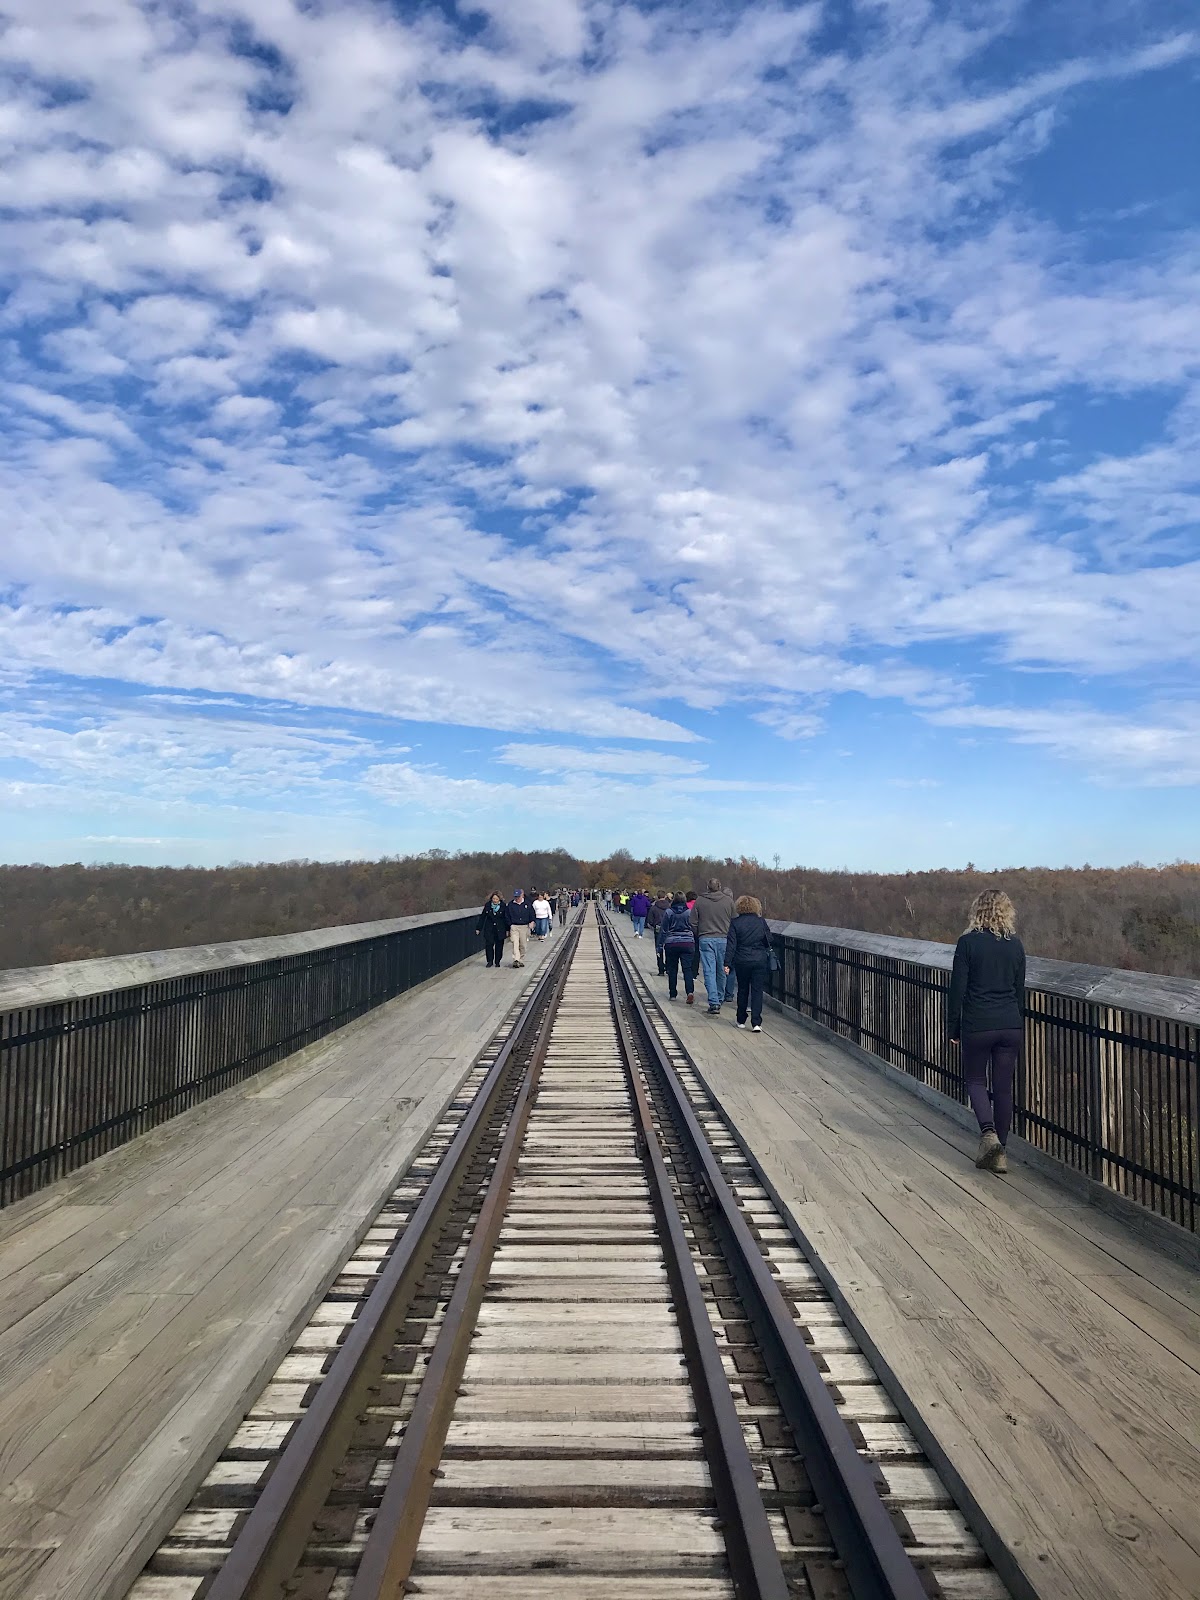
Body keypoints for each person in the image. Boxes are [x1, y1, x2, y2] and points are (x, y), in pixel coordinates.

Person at [948, 889, 1026, 1175]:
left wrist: (953, 1027)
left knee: (976, 1081)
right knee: (1004, 1088)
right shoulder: (1015, 946)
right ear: (1007, 912)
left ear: (976, 911)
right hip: (1010, 1024)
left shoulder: (967, 944)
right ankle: (1000, 1151)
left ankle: (988, 1134)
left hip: (978, 1024)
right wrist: (1016, 1022)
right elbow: (1019, 992)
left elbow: (957, 990)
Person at [724, 895, 772, 1031]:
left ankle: (741, 1019)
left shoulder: (735, 922)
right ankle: (756, 1022)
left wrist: (727, 963)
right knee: (757, 991)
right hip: (759, 959)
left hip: (742, 960)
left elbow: (731, 945)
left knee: (742, 989)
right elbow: (769, 939)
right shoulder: (760, 921)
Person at [692, 877, 736, 1014]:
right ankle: (720, 997)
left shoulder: (700, 901)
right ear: (720, 886)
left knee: (709, 971)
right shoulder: (728, 901)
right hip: (724, 938)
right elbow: (735, 919)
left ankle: (713, 1001)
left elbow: (692, 921)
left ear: (707, 887)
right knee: (723, 969)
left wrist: (699, 933)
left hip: (705, 938)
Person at [660, 892, 698, 1004]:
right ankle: (689, 991)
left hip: (672, 943)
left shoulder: (669, 912)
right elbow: (694, 927)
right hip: (687, 943)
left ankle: (672, 993)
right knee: (687, 969)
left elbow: (663, 930)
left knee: (672, 969)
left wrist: (659, 945)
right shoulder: (689, 912)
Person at [478, 891, 508, 970]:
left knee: (499, 946)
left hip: (500, 929)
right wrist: (479, 928)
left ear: (499, 899)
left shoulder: (503, 906)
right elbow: (483, 917)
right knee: (489, 944)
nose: (494, 900)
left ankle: (497, 961)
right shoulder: (488, 906)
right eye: (493, 899)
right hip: (489, 928)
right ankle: (490, 961)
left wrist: (508, 929)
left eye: (496, 899)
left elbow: (506, 918)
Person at [505, 889, 534, 966]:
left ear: (522, 895)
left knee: (523, 945)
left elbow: (532, 913)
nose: (517, 898)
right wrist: (510, 924)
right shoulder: (511, 905)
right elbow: (507, 916)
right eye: (516, 897)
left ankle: (521, 959)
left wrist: (532, 921)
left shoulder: (527, 904)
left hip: (524, 926)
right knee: (515, 943)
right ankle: (516, 959)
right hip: (514, 926)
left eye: (518, 896)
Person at [647, 890, 671, 975]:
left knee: (659, 948)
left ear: (657, 897)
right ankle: (668, 967)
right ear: (665, 897)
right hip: (668, 929)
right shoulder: (669, 907)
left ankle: (661, 969)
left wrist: (654, 925)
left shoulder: (654, 907)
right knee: (669, 948)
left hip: (658, 928)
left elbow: (650, 920)